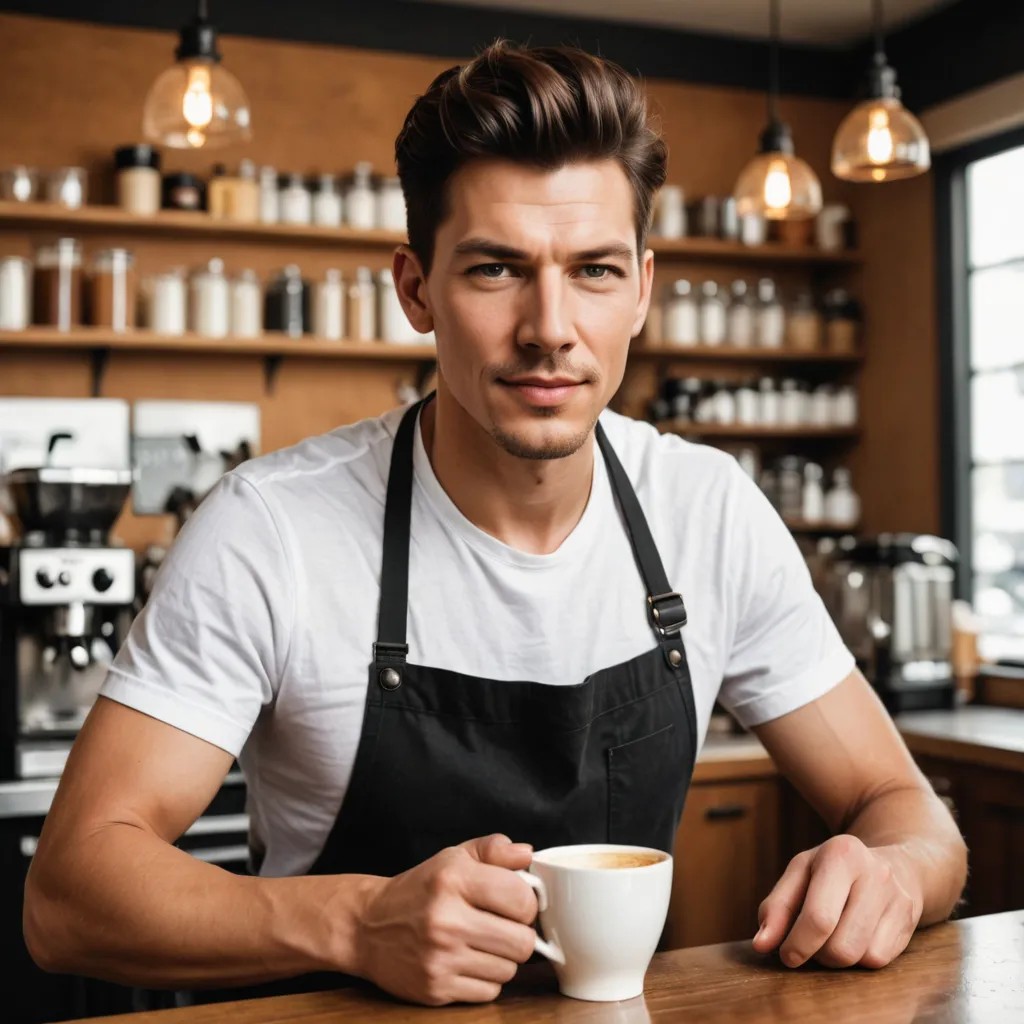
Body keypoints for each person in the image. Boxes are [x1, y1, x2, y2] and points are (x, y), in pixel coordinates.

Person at [24, 40, 966, 1008]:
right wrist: (353, 920)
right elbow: (68, 892)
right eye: (495, 269)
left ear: (641, 288)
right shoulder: (271, 532)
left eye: (593, 270)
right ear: (415, 288)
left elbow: (914, 818)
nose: (549, 326)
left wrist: (889, 870)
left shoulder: (707, 515)